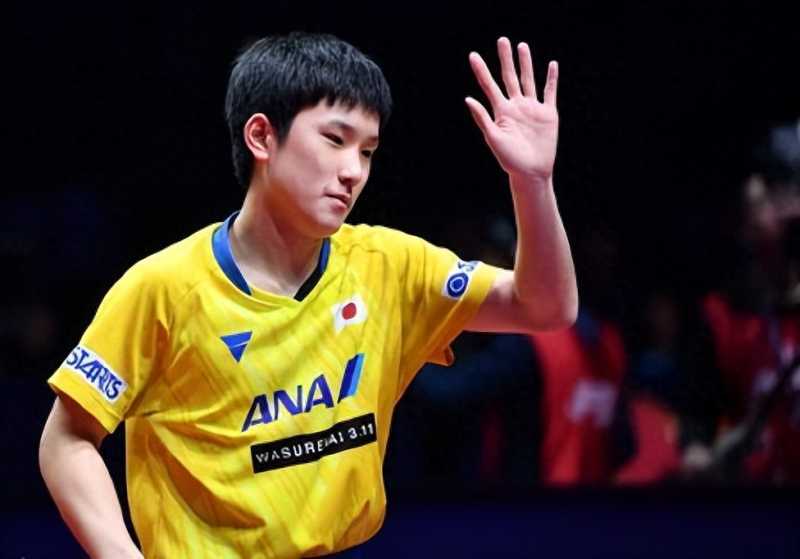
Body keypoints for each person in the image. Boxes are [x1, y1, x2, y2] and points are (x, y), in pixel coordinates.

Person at [38, 32, 577, 558]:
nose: (353, 171)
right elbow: (66, 440)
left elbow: (546, 308)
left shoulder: (388, 267)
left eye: (367, 151)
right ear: (261, 137)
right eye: (334, 140)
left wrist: (532, 183)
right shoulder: (164, 289)